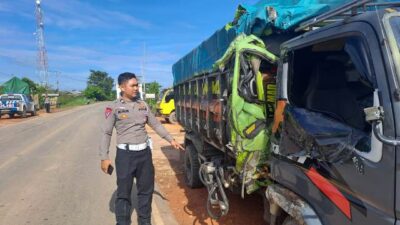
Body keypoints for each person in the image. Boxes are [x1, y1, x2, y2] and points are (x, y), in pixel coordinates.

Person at [99, 72, 184, 225]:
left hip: (144, 154)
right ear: (122, 87)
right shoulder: (114, 107)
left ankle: (145, 221)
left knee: (146, 191)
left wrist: (170, 139)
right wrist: (104, 157)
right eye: (133, 85)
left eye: (137, 85)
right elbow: (106, 132)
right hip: (125, 155)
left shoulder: (143, 105)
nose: (136, 88)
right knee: (124, 193)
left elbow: (156, 124)